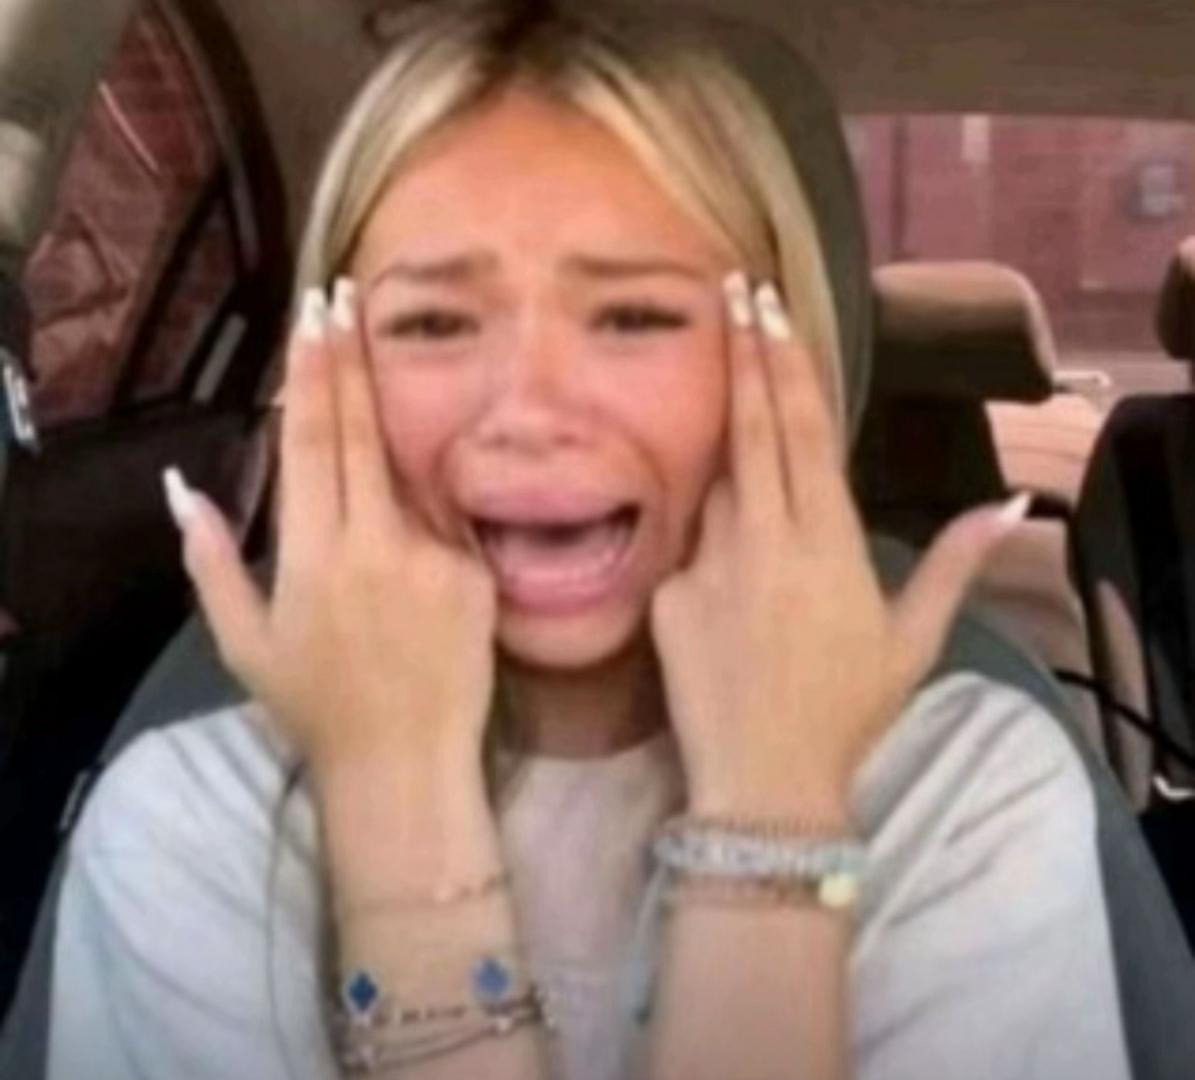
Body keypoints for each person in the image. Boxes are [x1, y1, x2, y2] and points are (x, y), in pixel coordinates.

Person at [46, 2, 1130, 1078]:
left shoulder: (966, 789)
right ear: (332, 374)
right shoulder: (191, 817)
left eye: (634, 317)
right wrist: (394, 801)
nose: (529, 408)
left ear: (787, 355)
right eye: (433, 322)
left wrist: (775, 810)